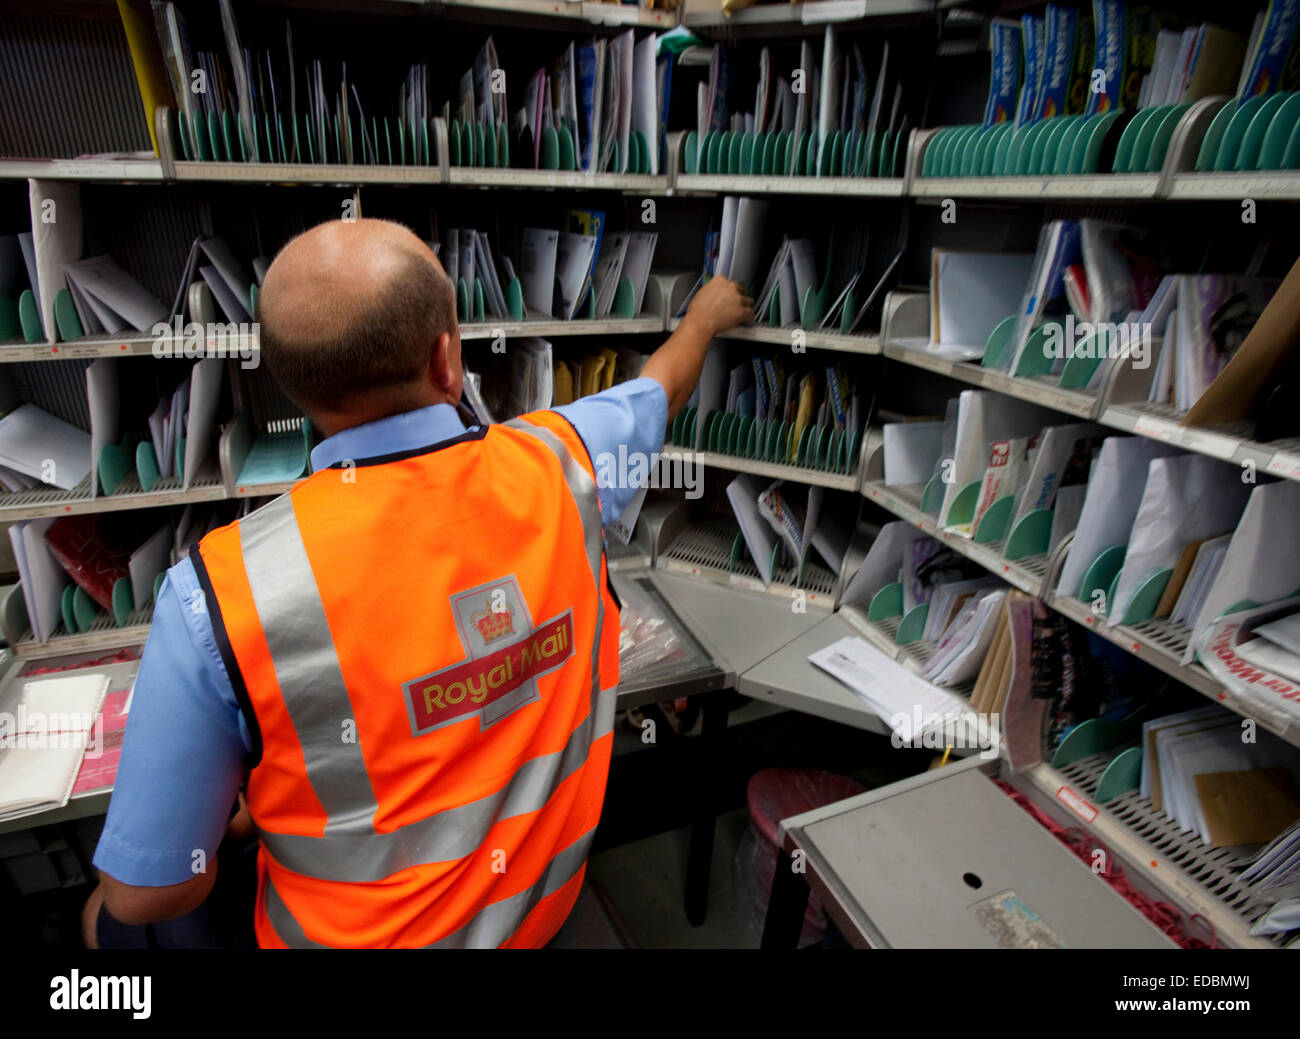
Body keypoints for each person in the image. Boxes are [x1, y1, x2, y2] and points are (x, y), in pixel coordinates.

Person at [84, 217, 752, 949]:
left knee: (104, 919)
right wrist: (705, 315)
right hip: (536, 920)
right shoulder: (567, 462)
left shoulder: (219, 591)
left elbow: (149, 890)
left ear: (288, 381)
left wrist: (249, 811)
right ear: (445, 359)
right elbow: (663, 386)